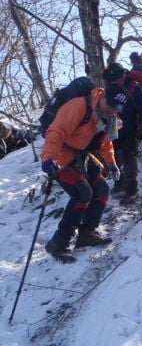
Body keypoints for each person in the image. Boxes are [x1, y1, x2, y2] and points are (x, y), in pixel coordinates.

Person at [41, 83, 128, 263]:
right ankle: (58, 243)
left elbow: (105, 142)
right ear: (104, 96)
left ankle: (87, 233)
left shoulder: (109, 116)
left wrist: (111, 163)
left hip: (82, 155)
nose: (112, 110)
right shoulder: (79, 106)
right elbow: (56, 131)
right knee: (82, 193)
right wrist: (48, 158)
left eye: (116, 108)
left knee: (102, 189)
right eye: (110, 105)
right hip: (61, 156)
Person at [103, 63, 142, 205]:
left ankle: (131, 190)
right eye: (112, 79)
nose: (114, 81)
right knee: (113, 157)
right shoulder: (109, 88)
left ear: (123, 75)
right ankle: (120, 182)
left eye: (117, 77)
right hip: (114, 129)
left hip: (132, 129)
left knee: (129, 158)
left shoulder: (134, 87)